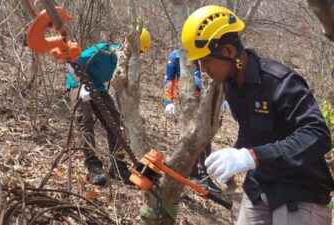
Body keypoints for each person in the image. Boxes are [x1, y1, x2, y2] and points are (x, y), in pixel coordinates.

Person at [182, 5, 334, 225]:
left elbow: (317, 135)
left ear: (229, 52)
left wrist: (252, 157)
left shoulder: (280, 82)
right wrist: (234, 155)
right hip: (260, 186)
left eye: (206, 60)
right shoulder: (231, 85)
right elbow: (251, 130)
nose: (203, 68)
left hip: (300, 189)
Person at [66, 28, 151, 186]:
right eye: (135, 50)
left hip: (97, 87)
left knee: (116, 123)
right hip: (77, 83)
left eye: (140, 53)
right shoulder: (103, 51)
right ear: (127, 45)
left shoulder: (125, 66)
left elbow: (120, 90)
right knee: (86, 121)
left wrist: (124, 113)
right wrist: (81, 85)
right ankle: (93, 167)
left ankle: (118, 167)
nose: (135, 55)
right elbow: (73, 63)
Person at [163, 49, 221, 193]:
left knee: (205, 135)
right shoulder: (176, 55)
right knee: (195, 133)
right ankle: (196, 173)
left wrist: (223, 98)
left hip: (203, 98)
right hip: (187, 99)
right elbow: (169, 79)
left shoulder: (203, 52)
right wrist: (168, 101)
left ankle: (203, 174)